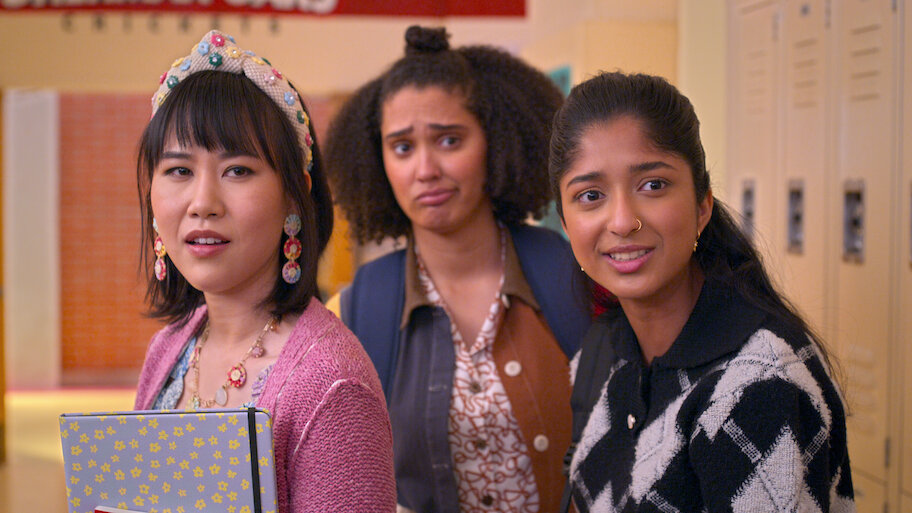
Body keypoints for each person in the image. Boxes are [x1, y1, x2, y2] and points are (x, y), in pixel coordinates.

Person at [550, 71, 855, 512]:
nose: (622, 221)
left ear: (702, 205)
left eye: (653, 185)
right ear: (565, 224)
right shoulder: (603, 351)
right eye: (590, 195)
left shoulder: (759, 385)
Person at [324, 25, 590, 513]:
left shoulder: (573, 276)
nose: (425, 169)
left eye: (449, 140)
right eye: (402, 147)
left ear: (497, 141)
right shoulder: (356, 311)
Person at [131, 30, 396, 512]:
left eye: (237, 170)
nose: (202, 203)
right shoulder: (169, 348)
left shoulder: (333, 383)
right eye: (179, 170)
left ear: (294, 197)